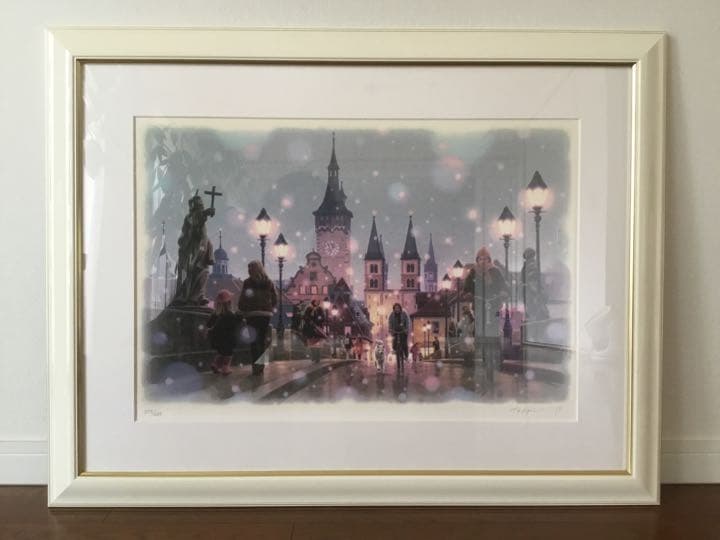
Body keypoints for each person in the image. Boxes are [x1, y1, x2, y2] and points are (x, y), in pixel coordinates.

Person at [464, 247, 509, 366]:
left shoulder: (495, 271)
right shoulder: (473, 272)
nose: (483, 261)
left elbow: (502, 285)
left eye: (485, 259)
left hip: (494, 303)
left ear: (489, 259)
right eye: (480, 259)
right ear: (477, 260)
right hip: (479, 303)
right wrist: (468, 293)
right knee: (480, 326)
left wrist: (503, 292)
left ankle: (498, 352)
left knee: (495, 327)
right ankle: (483, 350)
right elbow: (467, 287)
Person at [172, 192, 216, 306]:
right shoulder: (189, 217)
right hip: (190, 248)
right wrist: (205, 213)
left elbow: (201, 225)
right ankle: (182, 295)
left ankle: (198, 296)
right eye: (198, 205)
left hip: (202, 247)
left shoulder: (199, 218)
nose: (201, 207)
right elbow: (195, 220)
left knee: (203, 271)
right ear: (193, 207)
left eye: (201, 205)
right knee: (187, 271)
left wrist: (207, 212)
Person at [237, 260, 278, 375]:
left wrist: (243, 308)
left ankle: (256, 366)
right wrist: (269, 307)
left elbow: (243, 298)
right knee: (262, 340)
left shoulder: (248, 282)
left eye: (250, 268)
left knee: (254, 341)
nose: (248, 270)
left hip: (252, 314)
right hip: (265, 315)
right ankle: (261, 364)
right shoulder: (269, 282)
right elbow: (275, 298)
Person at [207, 289, 236, 376]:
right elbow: (233, 327)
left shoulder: (215, 314)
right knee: (228, 354)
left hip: (216, 339)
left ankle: (215, 365)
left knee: (221, 353)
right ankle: (225, 368)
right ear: (229, 303)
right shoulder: (230, 315)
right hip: (227, 339)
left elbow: (208, 324)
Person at [388, 303, 410, 371]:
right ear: (394, 309)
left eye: (398, 308)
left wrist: (406, 329)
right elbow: (390, 323)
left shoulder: (404, 314)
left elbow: (407, 322)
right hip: (395, 330)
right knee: (394, 344)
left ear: (400, 308)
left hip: (403, 330)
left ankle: (406, 355)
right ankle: (396, 350)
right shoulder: (391, 315)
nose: (397, 309)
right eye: (395, 308)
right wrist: (390, 329)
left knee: (404, 343)